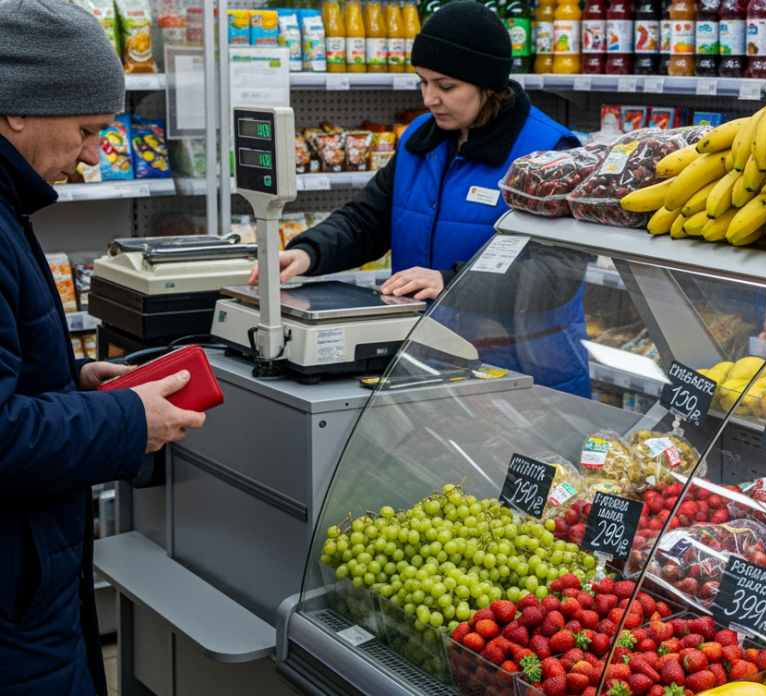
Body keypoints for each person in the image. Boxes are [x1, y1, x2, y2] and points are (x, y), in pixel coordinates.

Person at [0, 0, 206, 692]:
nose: (93, 154)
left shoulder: (8, 204)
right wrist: (126, 420)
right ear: (17, 109)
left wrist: (74, 379)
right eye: (86, 130)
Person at [256, 2, 592, 395]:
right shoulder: (420, 137)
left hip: (525, 372)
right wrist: (309, 252)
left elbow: (555, 273)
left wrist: (453, 283)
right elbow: (368, 219)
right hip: (426, 359)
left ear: (488, 86)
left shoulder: (549, 150)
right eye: (423, 82)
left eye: (445, 86)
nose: (430, 98)